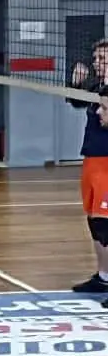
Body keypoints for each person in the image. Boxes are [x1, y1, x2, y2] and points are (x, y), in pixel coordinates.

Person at [67, 40, 108, 294]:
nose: (97, 63)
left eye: (102, 59)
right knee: (95, 222)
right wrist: (77, 83)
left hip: (107, 162)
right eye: (96, 59)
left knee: (105, 223)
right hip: (92, 158)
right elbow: (76, 102)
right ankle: (103, 277)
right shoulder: (97, 86)